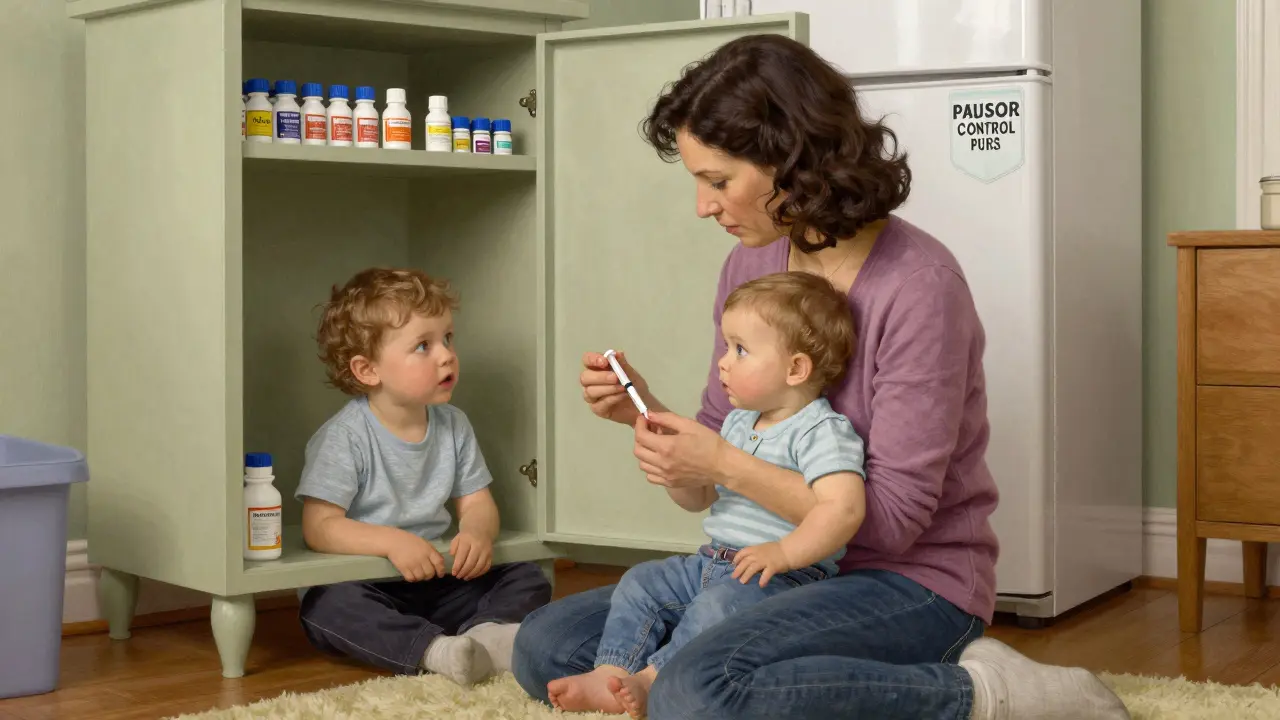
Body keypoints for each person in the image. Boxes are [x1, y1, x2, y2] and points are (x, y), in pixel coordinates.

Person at [512, 34, 1130, 720]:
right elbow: (708, 486)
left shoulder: (919, 286)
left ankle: (988, 693)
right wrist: (653, 423)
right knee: (548, 646)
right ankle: (806, 681)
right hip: (762, 567)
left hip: (906, 583)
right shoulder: (750, 267)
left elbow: (890, 525)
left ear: (792, 161)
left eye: (718, 181)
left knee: (694, 691)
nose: (702, 206)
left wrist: (722, 461)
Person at [549, 271, 868, 717]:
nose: (723, 361)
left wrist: (784, 552)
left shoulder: (822, 431)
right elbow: (699, 498)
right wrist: (673, 469)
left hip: (782, 576)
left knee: (719, 607)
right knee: (641, 581)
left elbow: (845, 509)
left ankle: (652, 680)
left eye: (741, 350)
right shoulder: (739, 423)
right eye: (725, 346)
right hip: (712, 560)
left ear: (796, 368)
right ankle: (610, 671)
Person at [294, 267, 551, 686]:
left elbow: (477, 502)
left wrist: (476, 533)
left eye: (448, 339)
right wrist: (393, 542)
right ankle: (435, 651)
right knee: (326, 606)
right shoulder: (345, 437)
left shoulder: (453, 425)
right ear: (368, 370)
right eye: (423, 346)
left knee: (525, 575)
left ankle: (483, 637)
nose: (446, 354)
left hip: (440, 576)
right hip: (371, 584)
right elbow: (319, 528)